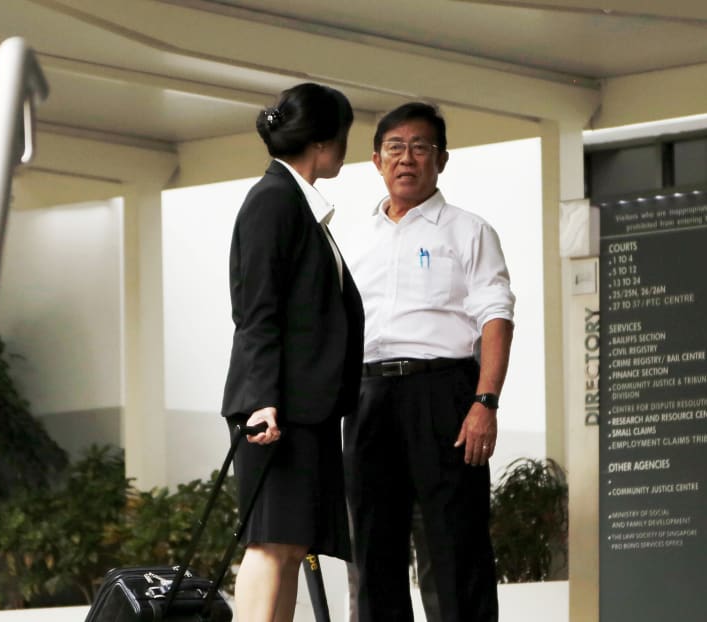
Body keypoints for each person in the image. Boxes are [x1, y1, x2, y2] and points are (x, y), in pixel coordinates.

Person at [342, 102, 515, 622]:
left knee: (453, 546)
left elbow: (496, 316)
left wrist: (486, 400)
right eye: (395, 148)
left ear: (442, 159)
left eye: (420, 148)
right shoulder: (352, 238)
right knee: (372, 549)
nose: (406, 158)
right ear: (376, 160)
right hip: (368, 398)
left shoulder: (468, 230)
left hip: (444, 394)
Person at [221, 82, 364, 622]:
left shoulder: (294, 201)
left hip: (302, 407)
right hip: (276, 407)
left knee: (288, 544)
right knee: (271, 542)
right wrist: (261, 399)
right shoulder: (274, 200)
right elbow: (256, 308)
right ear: (324, 143)